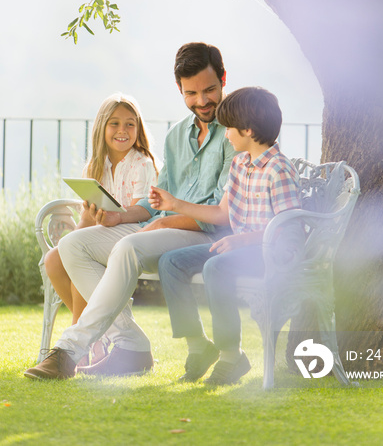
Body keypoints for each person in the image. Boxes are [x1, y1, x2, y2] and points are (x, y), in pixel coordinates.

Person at [24, 42, 235, 381]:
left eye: (209, 89)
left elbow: (222, 211)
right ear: (179, 89)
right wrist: (121, 217)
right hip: (157, 229)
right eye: (191, 92)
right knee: (72, 246)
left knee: (127, 246)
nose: (202, 101)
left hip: (200, 233)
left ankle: (68, 351)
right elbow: (154, 201)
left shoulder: (236, 133)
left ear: (223, 79)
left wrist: (163, 220)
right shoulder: (177, 136)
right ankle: (131, 344)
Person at [155, 87, 302, 386]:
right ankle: (198, 345)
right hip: (239, 249)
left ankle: (231, 355)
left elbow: (289, 229)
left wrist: (243, 240)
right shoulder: (240, 164)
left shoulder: (278, 169)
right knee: (170, 263)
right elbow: (223, 214)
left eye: (229, 128)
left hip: (271, 253)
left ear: (248, 130)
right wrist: (175, 205)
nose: (225, 135)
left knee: (216, 266)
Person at [44, 93, 158, 364]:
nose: (122, 131)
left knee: (76, 255)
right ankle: (96, 335)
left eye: (130, 124)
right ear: (102, 128)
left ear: (138, 129)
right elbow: (86, 220)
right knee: (55, 258)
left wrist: (109, 220)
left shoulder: (142, 164)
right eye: (115, 123)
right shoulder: (95, 167)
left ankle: (82, 342)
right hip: (100, 237)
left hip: (133, 236)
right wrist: (75, 235)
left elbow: (141, 212)